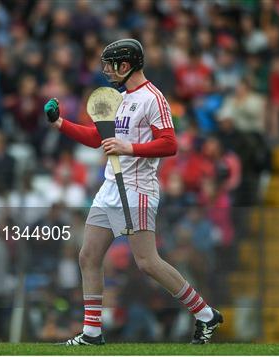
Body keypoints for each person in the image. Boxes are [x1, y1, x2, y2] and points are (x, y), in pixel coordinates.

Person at [44, 39, 223, 346]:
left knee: (147, 262)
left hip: (137, 188)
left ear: (125, 66)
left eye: (109, 64)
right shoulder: (121, 97)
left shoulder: (153, 98)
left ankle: (206, 314)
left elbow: (170, 144)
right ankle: (92, 333)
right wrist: (61, 123)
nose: (104, 70)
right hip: (111, 186)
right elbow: (98, 136)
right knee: (88, 255)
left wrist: (130, 147)